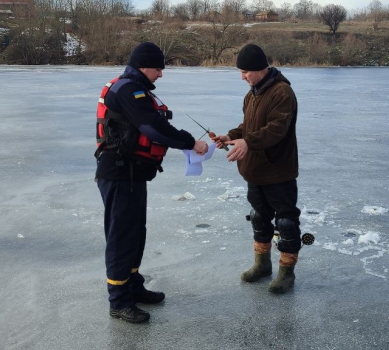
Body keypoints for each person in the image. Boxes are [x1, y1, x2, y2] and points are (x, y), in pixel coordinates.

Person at [95, 42, 209, 323]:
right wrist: (191, 142)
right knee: (122, 238)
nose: (161, 74)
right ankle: (119, 301)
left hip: (132, 175)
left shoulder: (135, 89)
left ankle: (132, 286)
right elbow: (152, 128)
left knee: (136, 233)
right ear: (144, 66)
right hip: (120, 175)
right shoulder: (127, 90)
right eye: (158, 68)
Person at [212, 43, 301, 294]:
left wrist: (247, 142)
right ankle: (262, 265)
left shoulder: (282, 92)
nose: (242, 77)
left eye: (245, 72)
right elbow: (248, 126)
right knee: (260, 218)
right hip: (255, 170)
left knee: (285, 222)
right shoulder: (252, 93)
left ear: (259, 68)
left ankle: (286, 272)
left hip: (278, 171)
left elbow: (276, 130)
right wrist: (230, 136)